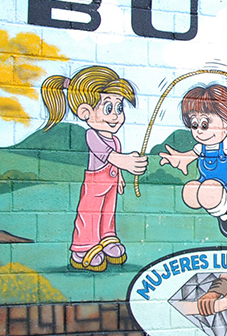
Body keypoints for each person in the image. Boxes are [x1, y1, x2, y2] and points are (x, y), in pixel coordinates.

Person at [39, 65, 149, 271]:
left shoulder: (115, 139)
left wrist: (121, 177)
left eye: (119, 108)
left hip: (110, 183)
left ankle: (107, 237)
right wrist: (126, 162)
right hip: (94, 185)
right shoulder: (92, 135)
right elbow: (108, 156)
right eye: (108, 108)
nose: (116, 115)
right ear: (85, 112)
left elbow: (114, 162)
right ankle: (82, 248)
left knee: (108, 212)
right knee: (89, 213)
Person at [159, 83, 227, 238]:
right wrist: (178, 160)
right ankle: (221, 207)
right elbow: (188, 157)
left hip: (224, 183)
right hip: (205, 182)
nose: (198, 130)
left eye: (205, 124)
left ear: (226, 125)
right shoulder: (201, 148)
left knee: (208, 190)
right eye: (194, 124)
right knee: (189, 192)